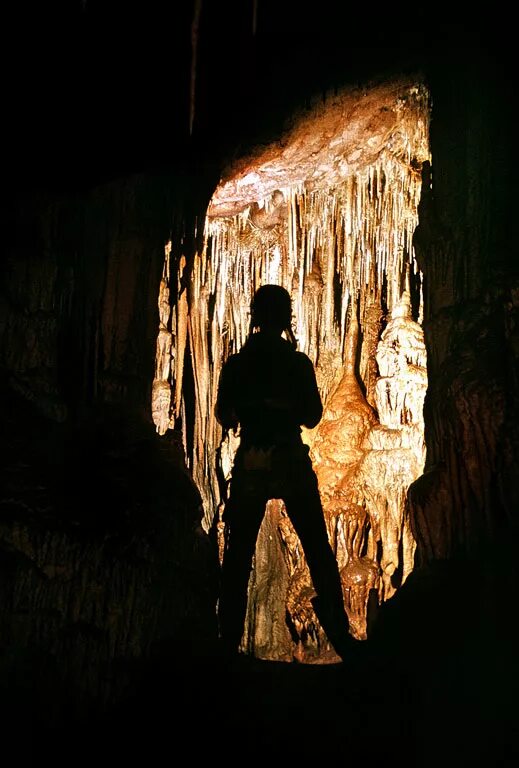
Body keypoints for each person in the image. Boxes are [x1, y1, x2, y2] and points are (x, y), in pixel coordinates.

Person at [215, 283, 358, 661]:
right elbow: (311, 416)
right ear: (285, 318)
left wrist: (252, 407)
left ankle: (226, 640)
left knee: (239, 553)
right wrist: (281, 406)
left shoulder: (237, 365)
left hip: (253, 460)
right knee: (316, 547)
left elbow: (222, 414)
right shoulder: (296, 365)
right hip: (289, 458)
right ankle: (339, 634)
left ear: (255, 318)